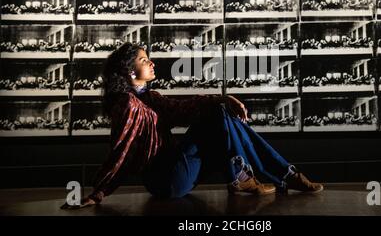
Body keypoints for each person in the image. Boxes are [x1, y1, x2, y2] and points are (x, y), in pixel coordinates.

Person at [61, 42, 323, 209]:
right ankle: (274, 175)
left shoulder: (149, 97)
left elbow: (184, 108)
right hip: (167, 179)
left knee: (221, 115)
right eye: (144, 60)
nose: (152, 63)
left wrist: (223, 98)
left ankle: (260, 175)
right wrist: (99, 192)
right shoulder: (127, 104)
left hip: (177, 172)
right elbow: (122, 150)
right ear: (130, 71)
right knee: (216, 116)